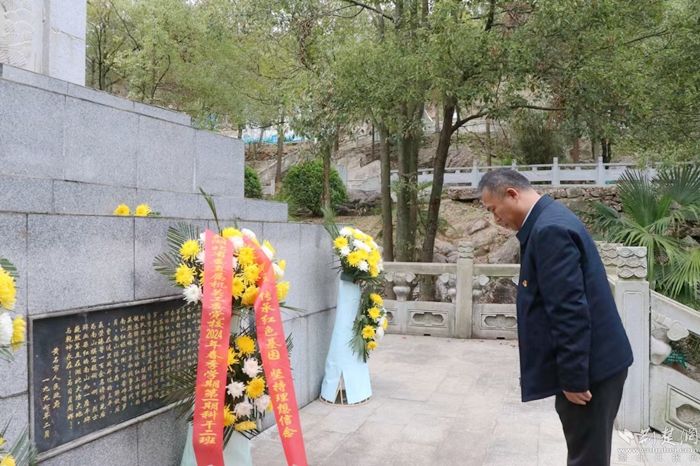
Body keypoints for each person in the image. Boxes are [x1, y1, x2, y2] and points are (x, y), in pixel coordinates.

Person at [478, 168, 633, 466]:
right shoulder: (549, 218)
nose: (495, 219)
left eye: (493, 209)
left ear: (512, 194)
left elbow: (569, 309)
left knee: (587, 458)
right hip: (596, 363)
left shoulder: (549, 230)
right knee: (588, 453)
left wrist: (574, 379)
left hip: (591, 371)